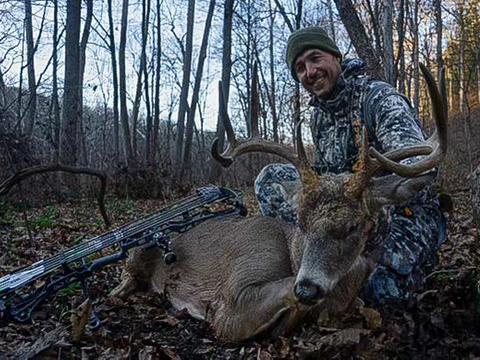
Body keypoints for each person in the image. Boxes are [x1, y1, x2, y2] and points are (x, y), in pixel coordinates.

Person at [254, 27, 447, 304]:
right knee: (270, 178)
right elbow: (324, 178)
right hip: (341, 221)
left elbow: (422, 168)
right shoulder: (318, 118)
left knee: (376, 295)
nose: (309, 71)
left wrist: (369, 203)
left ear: (336, 58)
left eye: (315, 58)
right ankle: (310, 245)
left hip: (401, 213)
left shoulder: (378, 98)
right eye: (299, 67)